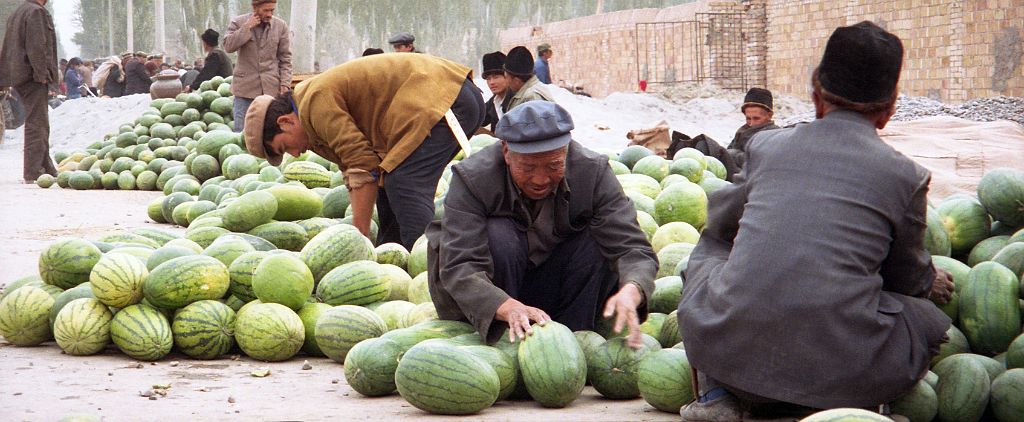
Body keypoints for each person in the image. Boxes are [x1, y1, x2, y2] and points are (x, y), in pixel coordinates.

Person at [676, 21, 953, 422]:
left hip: (734, 351)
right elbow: (906, 279)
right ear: (890, 110)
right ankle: (865, 407)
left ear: (815, 95)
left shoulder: (766, 147)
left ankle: (716, 393)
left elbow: (720, 225)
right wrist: (930, 280)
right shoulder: (906, 176)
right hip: (841, 371)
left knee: (700, 261)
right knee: (923, 318)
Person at [426, 101, 658, 345]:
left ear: (566, 152)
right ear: (506, 151)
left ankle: (572, 340)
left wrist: (633, 289)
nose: (540, 179)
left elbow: (632, 248)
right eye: (528, 167)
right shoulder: (472, 179)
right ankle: (503, 339)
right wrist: (504, 306)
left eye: (553, 165)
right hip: (494, 295)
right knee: (499, 235)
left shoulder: (592, 172)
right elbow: (460, 265)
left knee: (596, 241)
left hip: (550, 283)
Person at [241, 53, 483, 249]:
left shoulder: (314, 103)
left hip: (445, 97)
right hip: (447, 98)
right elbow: (362, 169)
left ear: (285, 122)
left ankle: (431, 269)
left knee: (405, 182)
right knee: (390, 181)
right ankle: (394, 255)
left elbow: (362, 166)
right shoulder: (311, 119)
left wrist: (358, 238)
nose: (294, 154)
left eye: (285, 147)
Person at [0, 0, 60, 183]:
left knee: (40, 122)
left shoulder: (19, 12)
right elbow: (38, 47)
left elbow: (7, 48)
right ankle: (33, 171)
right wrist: (43, 75)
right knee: (37, 123)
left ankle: (45, 165)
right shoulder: (36, 12)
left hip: (20, 75)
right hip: (32, 76)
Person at [225, 0, 292, 133]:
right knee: (241, 132)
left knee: (270, 133)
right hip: (245, 90)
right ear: (255, 8)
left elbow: (285, 58)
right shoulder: (238, 22)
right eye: (266, 10)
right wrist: (247, 27)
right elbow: (228, 46)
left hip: (271, 90)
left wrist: (285, 83)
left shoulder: (280, 26)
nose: (269, 14)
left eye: (272, 10)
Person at [504, 46, 555, 112]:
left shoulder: (532, 99)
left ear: (517, 81)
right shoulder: (529, 92)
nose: (506, 82)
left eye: (506, 77)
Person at [479, 51, 511, 132]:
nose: (491, 82)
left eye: (496, 77)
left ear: (507, 76)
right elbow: (479, 118)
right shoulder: (494, 101)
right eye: (488, 79)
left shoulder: (517, 100)